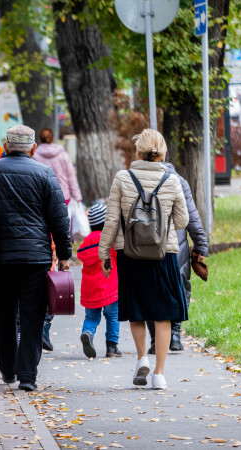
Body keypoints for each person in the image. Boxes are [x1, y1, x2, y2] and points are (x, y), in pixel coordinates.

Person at [0, 125, 72, 392]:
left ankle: (7, 369)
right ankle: (27, 376)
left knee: (3, 311)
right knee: (32, 314)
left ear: (5, 146)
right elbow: (59, 219)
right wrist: (65, 254)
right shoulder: (45, 173)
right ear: (33, 148)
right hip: (35, 257)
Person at [98, 128, 189, 390]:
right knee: (163, 315)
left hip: (129, 253)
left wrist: (104, 252)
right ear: (162, 153)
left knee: (136, 310)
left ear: (137, 152)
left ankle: (141, 359)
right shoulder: (172, 181)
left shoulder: (122, 178)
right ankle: (159, 375)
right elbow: (182, 220)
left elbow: (112, 220)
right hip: (164, 253)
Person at [146, 162, 208, 352]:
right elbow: (192, 216)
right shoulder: (179, 181)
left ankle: (156, 339)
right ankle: (174, 334)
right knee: (179, 287)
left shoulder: (138, 179)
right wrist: (200, 246)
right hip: (177, 246)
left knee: (149, 290)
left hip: (145, 245)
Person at [33, 127, 83, 351]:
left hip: (40, 205)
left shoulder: (34, 155)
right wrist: (77, 199)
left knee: (46, 241)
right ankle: (44, 327)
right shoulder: (62, 155)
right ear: (53, 137)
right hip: (62, 200)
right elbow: (71, 177)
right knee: (56, 239)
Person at [76, 203, 121, 359]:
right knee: (112, 316)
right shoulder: (110, 241)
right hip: (109, 288)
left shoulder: (87, 241)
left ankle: (87, 333)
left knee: (91, 318)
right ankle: (112, 347)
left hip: (90, 290)